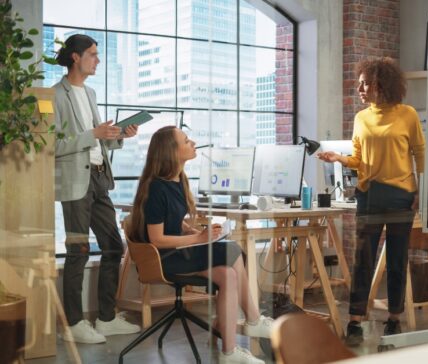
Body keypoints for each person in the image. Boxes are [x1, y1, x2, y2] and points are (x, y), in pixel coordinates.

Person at [126, 126, 273, 364]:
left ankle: (229, 353)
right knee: (232, 249)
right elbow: (157, 239)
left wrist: (194, 231)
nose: (193, 142)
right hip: (164, 258)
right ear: (171, 151)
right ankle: (254, 320)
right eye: (186, 140)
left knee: (228, 276)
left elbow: (173, 220)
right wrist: (199, 239)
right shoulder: (156, 188)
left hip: (180, 252)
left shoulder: (177, 181)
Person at [317, 57, 425, 345]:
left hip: (401, 196)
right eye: (360, 83)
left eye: (364, 83)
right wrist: (338, 158)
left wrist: (420, 193)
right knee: (362, 260)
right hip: (369, 196)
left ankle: (393, 319)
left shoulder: (408, 115)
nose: (359, 89)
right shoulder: (361, 118)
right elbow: (358, 159)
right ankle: (355, 321)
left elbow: (419, 155)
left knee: (397, 261)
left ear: (381, 84)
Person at [53, 34, 141, 343]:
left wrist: (118, 135)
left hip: (99, 177)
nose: (98, 60)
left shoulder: (90, 93)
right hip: (75, 180)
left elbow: (98, 138)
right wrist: (94, 132)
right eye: (92, 54)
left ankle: (105, 318)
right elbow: (52, 145)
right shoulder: (54, 96)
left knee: (113, 246)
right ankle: (74, 324)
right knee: (77, 250)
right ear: (75, 57)